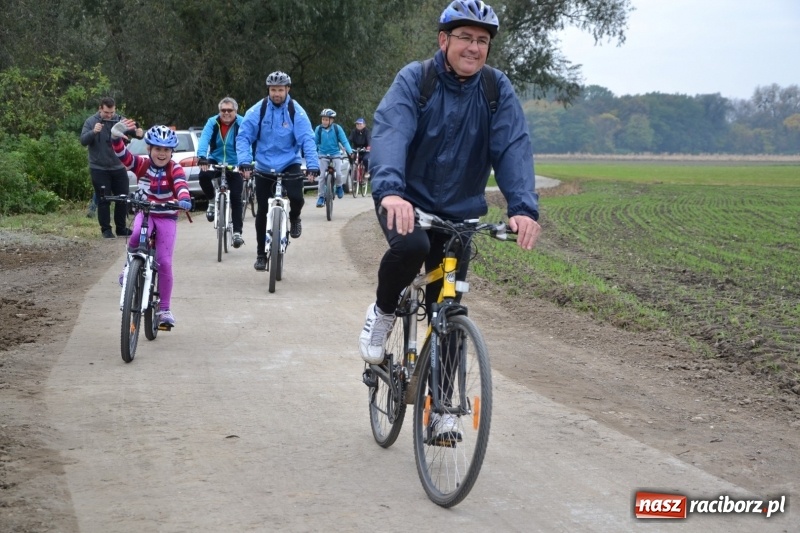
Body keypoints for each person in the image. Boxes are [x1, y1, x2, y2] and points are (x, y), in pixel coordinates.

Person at [358, 0, 542, 437]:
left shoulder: (496, 91)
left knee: (449, 306)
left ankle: (442, 408)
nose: (474, 47)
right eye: (465, 37)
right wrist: (391, 192)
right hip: (406, 200)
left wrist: (522, 208)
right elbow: (391, 132)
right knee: (414, 246)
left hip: (459, 212)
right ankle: (383, 311)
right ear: (444, 40)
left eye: (482, 41)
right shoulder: (416, 80)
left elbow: (513, 147)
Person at [110, 119, 192, 328]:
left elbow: (181, 185)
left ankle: (164, 309)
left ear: (171, 151)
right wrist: (115, 138)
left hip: (167, 217)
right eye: (157, 149)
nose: (161, 153)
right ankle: (128, 268)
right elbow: (124, 157)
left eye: (166, 149)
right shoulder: (143, 164)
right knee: (136, 235)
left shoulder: (174, 169)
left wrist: (184, 197)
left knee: (164, 262)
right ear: (149, 148)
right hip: (146, 213)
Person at [235, 71, 320, 271]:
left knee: (297, 197)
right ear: (269, 90)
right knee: (263, 212)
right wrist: (245, 161)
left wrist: (313, 165)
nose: (277, 94)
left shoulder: (295, 111)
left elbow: (307, 138)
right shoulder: (258, 110)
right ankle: (260, 254)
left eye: (280, 90)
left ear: (287, 90)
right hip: (264, 165)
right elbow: (244, 136)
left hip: (290, 163)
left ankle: (294, 217)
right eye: (273, 90)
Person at [80, 97, 144, 238]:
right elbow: (83, 140)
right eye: (106, 112)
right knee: (104, 199)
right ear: (100, 109)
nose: (110, 115)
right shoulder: (91, 122)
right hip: (99, 168)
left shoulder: (120, 120)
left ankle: (121, 228)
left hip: (118, 166)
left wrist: (140, 133)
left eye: (112, 112)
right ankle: (106, 230)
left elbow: (136, 131)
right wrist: (94, 132)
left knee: (123, 198)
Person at [197, 97, 246, 249]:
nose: (226, 113)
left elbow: (247, 142)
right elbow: (204, 138)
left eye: (229, 110)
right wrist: (202, 157)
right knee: (203, 176)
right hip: (215, 159)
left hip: (235, 162)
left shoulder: (242, 123)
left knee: (236, 196)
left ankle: (237, 233)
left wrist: (246, 163)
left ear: (235, 111)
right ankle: (211, 201)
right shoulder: (212, 122)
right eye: (223, 110)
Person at [314, 109, 353, 207]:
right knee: (322, 176)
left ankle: (339, 187)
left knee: (339, 173)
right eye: (323, 119)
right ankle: (321, 197)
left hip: (335, 154)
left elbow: (344, 141)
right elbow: (314, 143)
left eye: (326, 120)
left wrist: (350, 151)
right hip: (323, 155)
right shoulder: (318, 129)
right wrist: (312, 153)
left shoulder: (337, 128)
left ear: (332, 120)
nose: (324, 121)